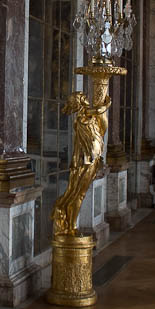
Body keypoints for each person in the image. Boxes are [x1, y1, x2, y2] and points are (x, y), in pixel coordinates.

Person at [52, 91, 111, 236]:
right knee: (78, 194)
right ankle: (71, 226)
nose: (85, 98)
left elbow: (101, 126)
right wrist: (107, 104)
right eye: (83, 97)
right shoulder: (83, 116)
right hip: (86, 161)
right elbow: (99, 112)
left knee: (77, 194)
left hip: (90, 160)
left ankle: (70, 224)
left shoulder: (83, 116)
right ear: (79, 102)